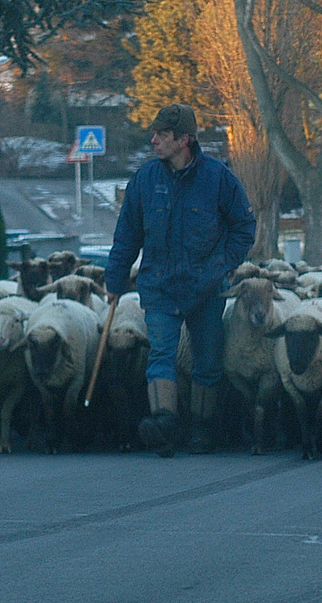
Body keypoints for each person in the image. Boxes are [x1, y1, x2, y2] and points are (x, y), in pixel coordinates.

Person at [106, 104, 256, 457]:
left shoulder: (218, 178)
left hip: (206, 287)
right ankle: (163, 425)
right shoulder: (145, 180)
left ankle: (203, 429)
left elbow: (244, 227)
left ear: (184, 140)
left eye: (162, 134)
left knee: (207, 360)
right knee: (161, 354)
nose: (154, 140)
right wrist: (115, 278)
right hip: (159, 285)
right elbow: (127, 233)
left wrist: (223, 263)